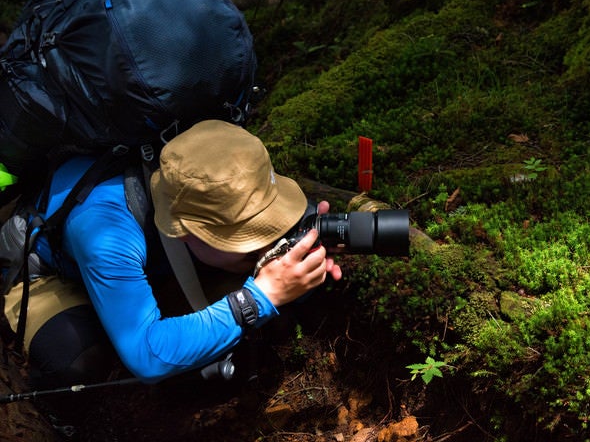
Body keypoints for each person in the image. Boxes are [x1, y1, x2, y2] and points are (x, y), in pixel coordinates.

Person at [2, 119, 342, 387]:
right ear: (187, 231)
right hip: (53, 272)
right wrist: (259, 297)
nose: (263, 245)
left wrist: (303, 240)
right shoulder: (106, 232)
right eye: (246, 238)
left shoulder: (216, 169)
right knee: (76, 360)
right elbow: (148, 356)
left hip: (155, 260)